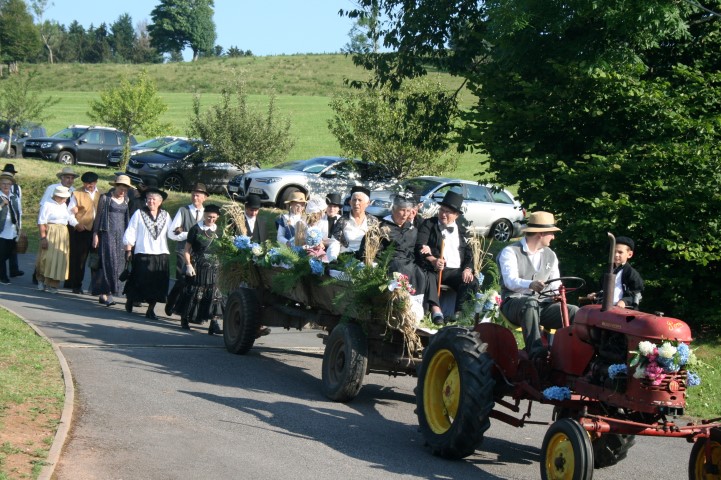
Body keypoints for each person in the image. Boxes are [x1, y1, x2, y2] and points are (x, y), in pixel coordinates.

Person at [498, 211, 579, 358]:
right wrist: (530, 284)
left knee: (575, 311)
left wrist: (556, 295)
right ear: (540, 234)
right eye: (551, 233)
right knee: (530, 303)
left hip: (542, 305)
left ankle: (571, 353)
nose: (553, 237)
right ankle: (536, 353)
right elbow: (510, 281)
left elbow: (556, 283)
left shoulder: (550, 255)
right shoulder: (510, 251)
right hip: (514, 303)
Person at [416, 191, 479, 323]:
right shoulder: (429, 225)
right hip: (435, 269)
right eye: (441, 210)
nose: (443, 214)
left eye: (448, 212)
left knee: (471, 281)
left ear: (456, 215)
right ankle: (435, 312)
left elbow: (469, 254)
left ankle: (459, 315)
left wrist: (467, 269)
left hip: (455, 271)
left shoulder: (462, 231)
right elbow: (419, 246)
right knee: (429, 275)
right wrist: (433, 259)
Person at [122, 187, 171, 320]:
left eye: (153, 199)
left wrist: (182, 232)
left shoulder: (166, 215)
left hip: (161, 254)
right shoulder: (139, 213)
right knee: (139, 280)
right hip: (143, 252)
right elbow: (131, 231)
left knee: (157, 283)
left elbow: (171, 233)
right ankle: (131, 299)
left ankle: (151, 309)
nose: (150, 201)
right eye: (148, 199)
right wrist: (128, 249)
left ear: (160, 202)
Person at [176, 204, 225, 334]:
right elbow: (187, 250)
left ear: (217, 217)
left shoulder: (219, 231)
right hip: (198, 266)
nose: (211, 219)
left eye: (214, 217)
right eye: (209, 217)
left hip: (214, 267)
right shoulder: (195, 229)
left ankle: (213, 324)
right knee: (194, 292)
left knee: (215, 294)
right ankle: (185, 318)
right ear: (204, 215)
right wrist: (188, 265)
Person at [165, 183, 208, 315]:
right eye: (193, 195)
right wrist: (189, 235)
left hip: (199, 254)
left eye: (198, 195)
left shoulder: (207, 214)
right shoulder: (183, 210)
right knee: (182, 279)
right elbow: (171, 233)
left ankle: (189, 309)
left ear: (205, 198)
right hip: (182, 250)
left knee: (197, 282)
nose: (195, 197)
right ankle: (171, 303)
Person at [91, 175, 133, 307]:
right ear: (115, 186)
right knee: (107, 262)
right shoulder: (105, 198)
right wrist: (95, 234)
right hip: (107, 233)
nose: (123, 191)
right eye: (121, 188)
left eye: (125, 189)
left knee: (119, 263)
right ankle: (106, 293)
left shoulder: (127, 200)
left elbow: (127, 219)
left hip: (121, 235)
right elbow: (98, 217)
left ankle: (110, 291)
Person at [586, 236, 644, 309]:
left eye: (620, 252)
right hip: (605, 308)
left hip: (624, 311)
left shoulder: (631, 273)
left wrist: (624, 301)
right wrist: (596, 295)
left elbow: (636, 293)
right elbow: (604, 290)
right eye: (614, 252)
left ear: (630, 254)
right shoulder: (607, 271)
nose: (616, 255)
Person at [66, 172, 101, 294]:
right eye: (86, 184)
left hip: (97, 230)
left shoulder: (101, 194)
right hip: (82, 230)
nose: (88, 186)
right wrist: (76, 224)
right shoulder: (76, 193)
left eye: (90, 184)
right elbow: (69, 213)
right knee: (80, 259)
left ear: (95, 183)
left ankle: (96, 287)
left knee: (96, 260)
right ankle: (76, 285)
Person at [327, 186, 379, 262]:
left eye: (359, 200)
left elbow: (376, 244)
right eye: (354, 200)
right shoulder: (343, 220)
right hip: (345, 258)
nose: (356, 203)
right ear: (350, 202)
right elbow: (335, 242)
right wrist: (333, 258)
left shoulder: (373, 221)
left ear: (367, 203)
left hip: (366, 259)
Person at [36, 186, 72, 293]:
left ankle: (53, 284)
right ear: (56, 196)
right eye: (62, 197)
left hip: (63, 233)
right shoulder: (47, 205)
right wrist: (43, 238)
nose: (64, 200)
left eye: (65, 197)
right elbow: (41, 222)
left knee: (60, 259)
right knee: (47, 258)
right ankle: (41, 280)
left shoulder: (64, 205)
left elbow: (68, 218)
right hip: (51, 232)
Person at [0, 173, 22, 284]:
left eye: (8, 184)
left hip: (12, 229)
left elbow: (19, 212)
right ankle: (3, 277)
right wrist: (2, 205)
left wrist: (20, 228)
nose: (5, 186)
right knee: (2, 254)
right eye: (3, 183)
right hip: (1, 230)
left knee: (9, 253)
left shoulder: (14, 196)